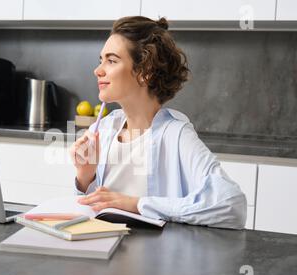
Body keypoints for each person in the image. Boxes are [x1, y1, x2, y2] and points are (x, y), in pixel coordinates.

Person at [69, 16, 247, 229]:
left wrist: (136, 204)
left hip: (155, 259)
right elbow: (92, 210)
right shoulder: (105, 128)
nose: (98, 71)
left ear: (145, 72)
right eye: (101, 60)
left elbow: (231, 205)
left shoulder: (176, 135)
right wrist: (85, 177)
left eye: (112, 60)